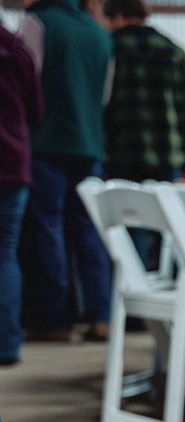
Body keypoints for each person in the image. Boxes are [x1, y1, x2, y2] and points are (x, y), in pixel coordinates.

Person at [18, 0, 114, 343]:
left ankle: (54, 320)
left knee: (48, 229)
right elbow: (104, 96)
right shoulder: (100, 34)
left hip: (46, 143)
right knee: (90, 231)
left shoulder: (37, 23)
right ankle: (101, 316)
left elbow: (24, 80)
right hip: (89, 144)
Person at [102, 0, 185, 184]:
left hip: (118, 156)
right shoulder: (174, 52)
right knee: (159, 211)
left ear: (117, 16)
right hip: (166, 158)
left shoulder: (109, 49)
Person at [0, 29, 43, 366]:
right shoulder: (16, 48)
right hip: (12, 163)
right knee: (4, 254)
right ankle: (7, 345)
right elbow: (35, 109)